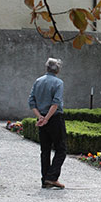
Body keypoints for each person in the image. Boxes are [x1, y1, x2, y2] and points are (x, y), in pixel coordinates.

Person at [28, 57, 67, 189]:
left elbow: (31, 101)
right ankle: (52, 177)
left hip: (42, 119)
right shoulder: (58, 83)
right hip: (54, 118)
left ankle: (45, 178)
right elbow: (55, 103)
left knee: (45, 150)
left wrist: (40, 117)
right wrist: (47, 118)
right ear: (58, 70)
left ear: (47, 68)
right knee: (61, 149)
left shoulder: (38, 81)